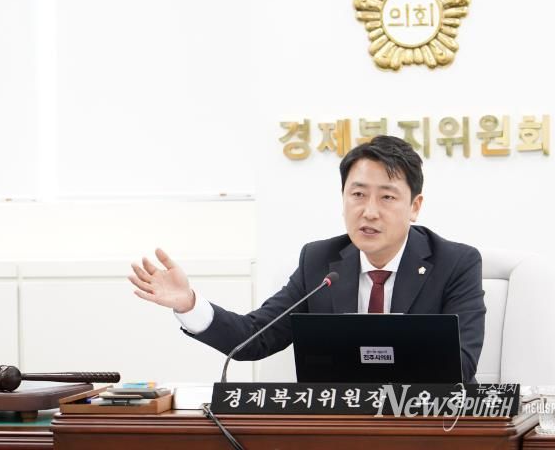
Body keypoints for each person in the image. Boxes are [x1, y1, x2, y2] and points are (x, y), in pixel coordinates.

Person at [128, 135, 486, 382]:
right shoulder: (320, 261)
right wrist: (189, 304)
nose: (369, 211)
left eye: (387, 197)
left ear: (415, 207)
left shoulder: (456, 263)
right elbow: (254, 337)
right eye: (358, 194)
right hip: (338, 430)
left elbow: (462, 365)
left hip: (430, 427)